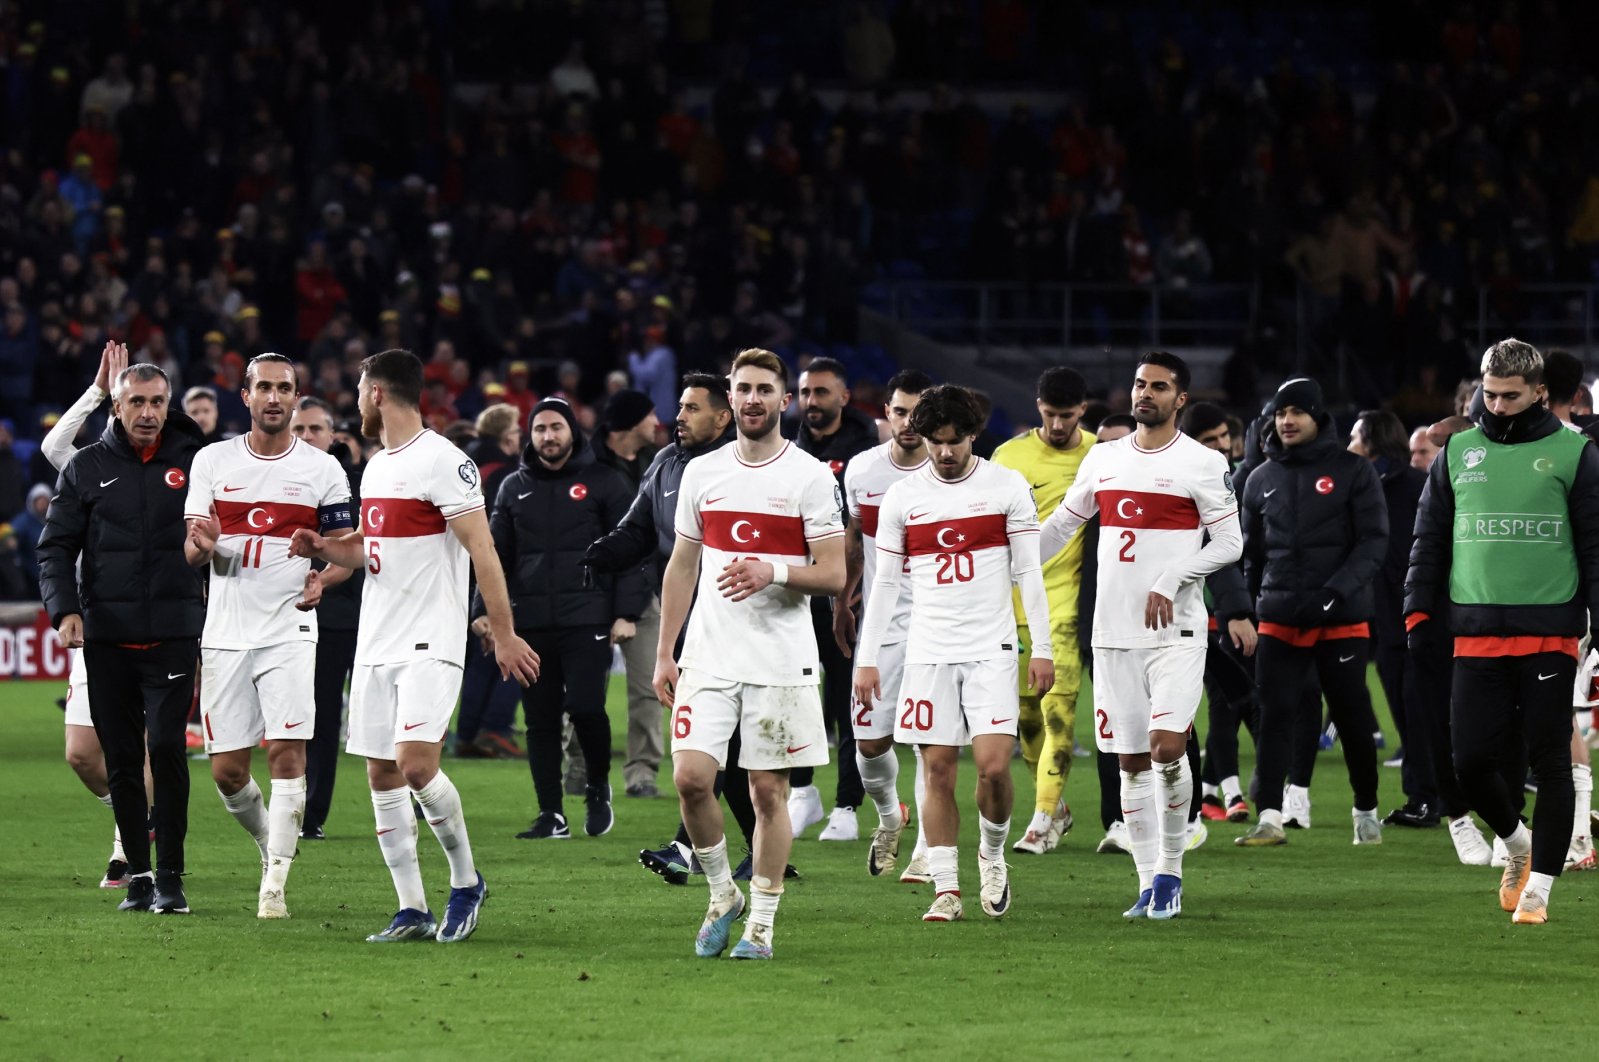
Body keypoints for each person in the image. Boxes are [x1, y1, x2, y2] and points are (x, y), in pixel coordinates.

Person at [288, 348, 540, 944]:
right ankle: (412, 907)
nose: (354, 402)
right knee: (381, 774)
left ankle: (466, 881)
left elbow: (483, 551)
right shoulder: (377, 466)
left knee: (417, 765)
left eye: (357, 391)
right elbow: (368, 550)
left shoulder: (444, 462)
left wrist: (502, 632)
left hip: (431, 637)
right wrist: (323, 550)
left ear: (377, 392)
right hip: (377, 638)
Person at [652, 347, 845, 960]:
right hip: (709, 654)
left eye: (766, 389)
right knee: (690, 779)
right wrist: (665, 652)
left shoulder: (810, 476)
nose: (754, 399)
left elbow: (836, 573)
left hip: (781, 659)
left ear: (783, 400)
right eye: (744, 389)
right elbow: (683, 565)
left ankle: (760, 923)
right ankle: (720, 895)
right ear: (730, 398)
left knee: (767, 793)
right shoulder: (702, 473)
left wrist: (774, 571)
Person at [1040, 353, 1242, 920]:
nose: (1144, 393)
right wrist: (1009, 567)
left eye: (1159, 386)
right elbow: (1062, 525)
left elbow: (1231, 543)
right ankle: (1147, 881)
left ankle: (1171, 870)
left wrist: (1173, 577)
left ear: (1180, 399)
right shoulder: (1103, 459)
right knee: (1129, 764)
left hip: (1176, 632)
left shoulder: (1201, 463)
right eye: (1138, 384)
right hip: (1112, 634)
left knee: (1166, 748)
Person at [1408, 339, 1599, 924]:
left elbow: (1595, 547)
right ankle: (1518, 845)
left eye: (1509, 396)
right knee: (1468, 764)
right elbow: (1430, 539)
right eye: (1488, 395)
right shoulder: (1458, 451)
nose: (1496, 405)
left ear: (1540, 392)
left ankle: (1540, 889)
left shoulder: (1577, 453)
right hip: (1475, 630)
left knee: (1550, 762)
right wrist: (1417, 607)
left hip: (1549, 631)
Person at [854, 383, 1054, 923]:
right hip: (928, 651)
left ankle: (991, 856)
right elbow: (886, 585)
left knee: (992, 769)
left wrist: (1043, 647)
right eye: (934, 441)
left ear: (973, 436)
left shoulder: (1006, 486)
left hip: (991, 648)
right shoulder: (904, 498)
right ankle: (946, 886)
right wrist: (868, 657)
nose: (944, 453)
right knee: (936, 768)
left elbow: (1029, 573)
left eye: (954, 442)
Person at [181, 354, 354, 919]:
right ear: (246, 396)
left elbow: (347, 555)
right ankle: (269, 844)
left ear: (296, 396)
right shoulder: (211, 461)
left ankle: (274, 887)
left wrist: (320, 576)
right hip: (226, 631)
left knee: (286, 751)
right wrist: (203, 547)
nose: (275, 398)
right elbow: (190, 549)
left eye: (285, 389)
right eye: (265, 388)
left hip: (289, 626)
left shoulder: (324, 470)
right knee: (228, 772)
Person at [584, 374, 773, 885]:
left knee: (721, 743)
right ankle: (750, 847)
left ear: (723, 416)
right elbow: (639, 529)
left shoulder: (747, 468)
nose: (679, 417)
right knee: (718, 742)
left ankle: (693, 848)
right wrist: (602, 554)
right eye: (680, 406)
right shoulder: (666, 464)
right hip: (687, 618)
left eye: (692, 408)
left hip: (742, 617)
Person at [38, 361, 209, 914]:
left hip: (175, 633)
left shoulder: (193, 461)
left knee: (164, 749)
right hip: (107, 639)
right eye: (136, 402)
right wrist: (65, 610)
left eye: (158, 402)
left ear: (169, 404)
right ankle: (138, 874)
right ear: (117, 407)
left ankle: (172, 877)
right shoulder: (85, 468)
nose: (148, 412)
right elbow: (55, 548)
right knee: (119, 759)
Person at [481, 397, 643, 839]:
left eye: (556, 427)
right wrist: (486, 614)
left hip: (587, 617)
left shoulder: (605, 482)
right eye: (540, 430)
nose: (548, 437)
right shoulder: (513, 487)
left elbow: (632, 551)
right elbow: (493, 557)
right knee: (540, 719)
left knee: (586, 708)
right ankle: (551, 813)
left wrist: (625, 613)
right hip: (530, 623)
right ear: (530, 436)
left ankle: (596, 787)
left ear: (573, 432)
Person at [1237, 377, 1388, 848]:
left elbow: (1373, 541)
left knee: (1351, 715)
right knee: (1275, 714)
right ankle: (1269, 817)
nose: (1286, 420)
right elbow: (1251, 554)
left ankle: (1365, 807)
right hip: (1280, 615)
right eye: (1280, 413)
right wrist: (1248, 605)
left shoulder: (1353, 471)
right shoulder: (1259, 478)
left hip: (1340, 618)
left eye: (1296, 412)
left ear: (1318, 417)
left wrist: (1335, 593)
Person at [38, 340, 143, 887]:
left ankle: (128, 850)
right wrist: (100, 391)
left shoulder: (178, 466)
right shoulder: (86, 467)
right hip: (94, 622)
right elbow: (54, 443)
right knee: (82, 754)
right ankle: (137, 816)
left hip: (150, 623)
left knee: (138, 742)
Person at [833, 368, 932, 879]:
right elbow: (852, 539)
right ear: (885, 415)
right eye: (900, 412)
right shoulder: (863, 472)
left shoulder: (950, 471)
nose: (909, 423)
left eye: (919, 413)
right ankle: (892, 816)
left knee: (928, 742)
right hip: (880, 626)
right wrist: (842, 601)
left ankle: (925, 854)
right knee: (870, 745)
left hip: (939, 625)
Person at [991, 366, 1094, 855]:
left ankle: (1040, 818)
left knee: (1059, 713)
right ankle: (1056, 807)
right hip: (1012, 607)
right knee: (1025, 719)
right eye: (1051, 415)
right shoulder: (1007, 458)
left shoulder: (1099, 455)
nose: (1058, 425)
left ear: (1083, 410)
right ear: (1038, 408)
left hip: (1068, 605)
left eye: (1067, 416)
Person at [787, 356, 879, 841]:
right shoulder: (786, 448)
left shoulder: (867, 453)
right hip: (795, 589)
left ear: (844, 398)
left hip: (850, 593)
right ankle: (803, 792)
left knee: (846, 696)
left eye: (821, 393)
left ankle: (847, 803)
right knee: (796, 692)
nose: (812, 402)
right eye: (805, 393)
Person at [1348, 409, 1436, 827]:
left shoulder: (1416, 487)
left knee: (1417, 711)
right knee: (1405, 711)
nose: (1349, 445)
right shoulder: (1367, 487)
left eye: (1355, 437)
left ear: (1372, 442)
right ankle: (1423, 795)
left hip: (1418, 618)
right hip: (1386, 621)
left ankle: (1427, 797)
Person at [1182, 402, 1259, 825]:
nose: (1219, 447)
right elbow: (1220, 551)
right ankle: (1229, 795)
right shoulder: (1193, 482)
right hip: (1203, 613)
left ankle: (1211, 792)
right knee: (1224, 703)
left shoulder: (1240, 479)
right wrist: (1233, 608)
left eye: (1222, 438)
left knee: (1238, 701)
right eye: (1208, 440)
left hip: (1241, 607)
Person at [290, 396, 363, 839]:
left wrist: (324, 578)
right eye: (298, 430)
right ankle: (313, 814)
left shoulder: (357, 482)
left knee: (390, 713)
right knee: (319, 717)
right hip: (321, 618)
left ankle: (414, 794)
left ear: (333, 435)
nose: (305, 438)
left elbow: (360, 550)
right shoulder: (283, 486)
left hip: (370, 613)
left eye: (314, 429)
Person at [591, 388, 666, 798]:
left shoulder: (652, 465)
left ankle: (642, 774)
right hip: (592, 591)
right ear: (631, 422)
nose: (657, 422)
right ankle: (581, 769)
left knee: (646, 689)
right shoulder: (586, 466)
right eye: (650, 415)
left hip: (643, 589)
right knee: (584, 691)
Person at [454, 402, 526, 759]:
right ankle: (496, 728)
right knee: (508, 645)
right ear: (504, 436)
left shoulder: (462, 463)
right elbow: (503, 532)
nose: (519, 439)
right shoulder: (507, 473)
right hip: (491, 570)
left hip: (458, 572)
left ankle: (467, 732)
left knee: (477, 656)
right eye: (515, 432)